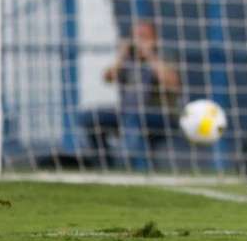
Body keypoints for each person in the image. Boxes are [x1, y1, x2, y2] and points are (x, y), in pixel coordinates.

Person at [78, 20, 182, 171]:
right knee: (90, 117)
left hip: (159, 115)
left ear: (154, 39)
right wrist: (121, 55)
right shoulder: (128, 60)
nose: (139, 41)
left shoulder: (165, 55)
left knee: (134, 116)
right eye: (135, 36)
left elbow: (172, 83)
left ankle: (135, 166)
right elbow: (108, 77)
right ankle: (105, 165)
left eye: (143, 36)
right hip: (127, 112)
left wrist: (149, 55)